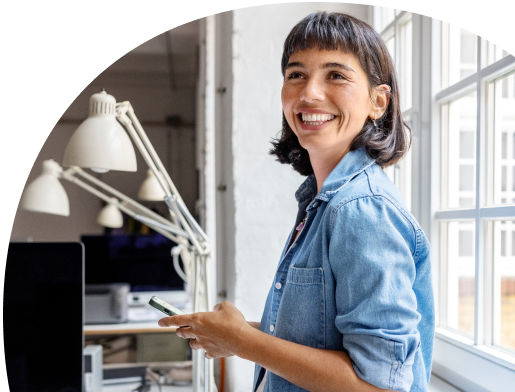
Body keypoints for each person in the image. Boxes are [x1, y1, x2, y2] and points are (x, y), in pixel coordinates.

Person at [159, 11, 434, 392]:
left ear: (378, 101)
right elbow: (322, 340)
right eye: (296, 74)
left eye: (336, 75)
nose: (309, 93)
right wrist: (233, 333)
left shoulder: (360, 210)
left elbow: (380, 387)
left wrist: (242, 341)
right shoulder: (322, 201)